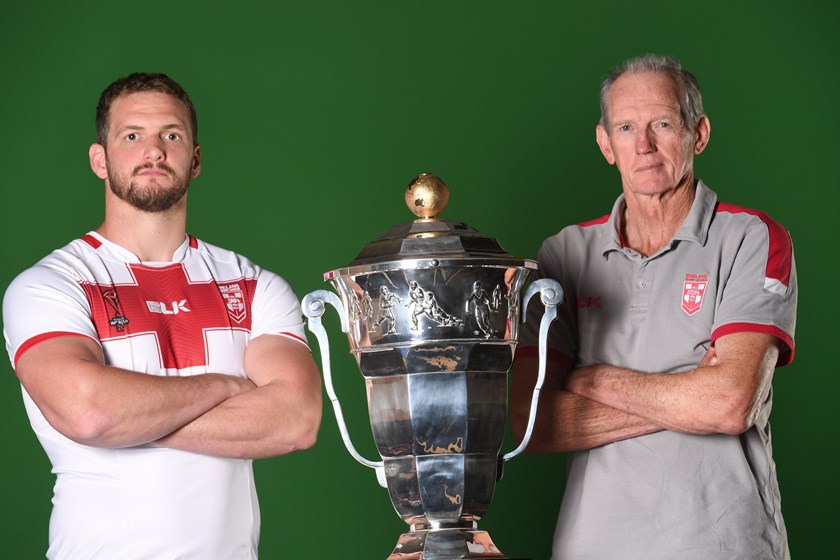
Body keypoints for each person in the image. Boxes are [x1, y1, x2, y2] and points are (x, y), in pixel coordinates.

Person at [2, 73, 323, 559]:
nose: (153, 151)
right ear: (99, 159)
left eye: (171, 135)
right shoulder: (52, 284)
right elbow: (89, 413)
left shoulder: (252, 285)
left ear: (195, 159)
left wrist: (131, 420)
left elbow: (296, 421)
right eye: (132, 136)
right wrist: (227, 386)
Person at [511, 54, 797, 559]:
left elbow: (730, 404)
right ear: (606, 144)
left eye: (662, 123)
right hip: (591, 546)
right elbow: (530, 422)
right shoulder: (563, 254)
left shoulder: (751, 237)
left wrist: (594, 379)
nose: (643, 144)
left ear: (697, 133)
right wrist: (689, 394)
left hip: (723, 544)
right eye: (626, 127)